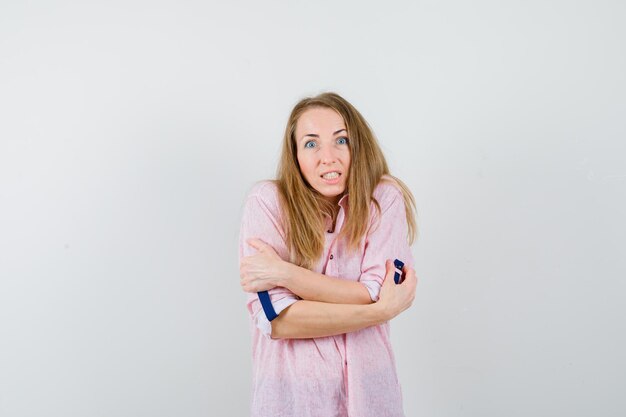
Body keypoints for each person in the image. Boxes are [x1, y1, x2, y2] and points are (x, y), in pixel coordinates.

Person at [238, 92, 418, 417]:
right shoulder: (266, 204)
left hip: (372, 399)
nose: (328, 157)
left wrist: (285, 274)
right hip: (292, 401)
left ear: (357, 146)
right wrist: (378, 312)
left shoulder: (384, 199)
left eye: (341, 140)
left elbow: (376, 291)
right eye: (311, 143)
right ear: (294, 155)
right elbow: (277, 320)